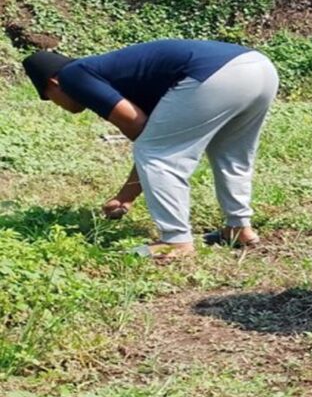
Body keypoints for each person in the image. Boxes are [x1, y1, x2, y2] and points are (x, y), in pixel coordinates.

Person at [22, 40, 279, 258]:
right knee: (231, 154)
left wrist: (125, 195)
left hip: (215, 75)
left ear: (54, 82)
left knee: (158, 154)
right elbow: (154, 135)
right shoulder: (114, 73)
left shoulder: (73, 75)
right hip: (259, 68)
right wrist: (126, 197)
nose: (56, 104)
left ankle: (176, 241)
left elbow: (144, 134)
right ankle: (239, 229)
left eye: (48, 97)